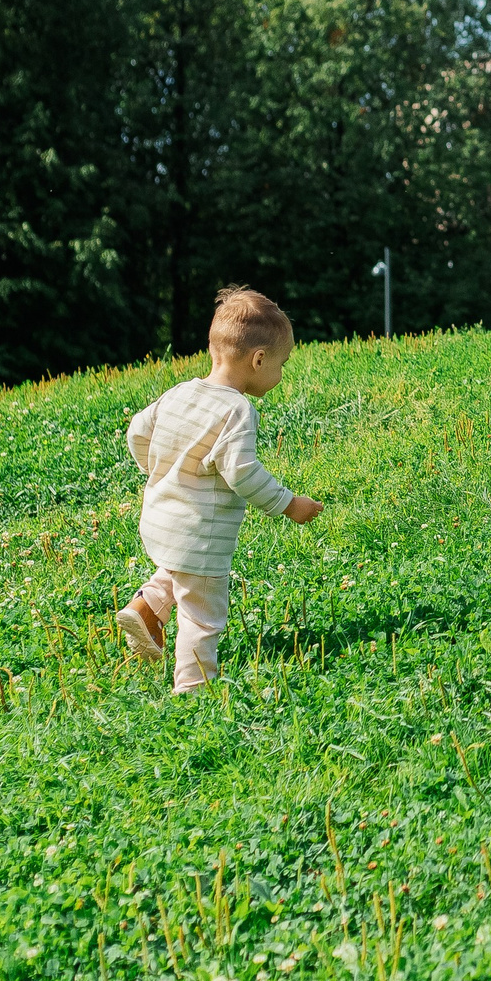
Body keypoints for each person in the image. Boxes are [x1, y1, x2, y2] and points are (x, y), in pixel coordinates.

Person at [115, 287, 323, 691]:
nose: (281, 374)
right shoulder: (237, 410)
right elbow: (242, 473)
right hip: (201, 533)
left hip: (160, 518)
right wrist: (288, 504)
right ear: (258, 360)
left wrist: (158, 469)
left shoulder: (181, 392)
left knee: (180, 566)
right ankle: (194, 689)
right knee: (201, 614)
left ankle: (145, 608)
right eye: (282, 364)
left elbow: (137, 430)